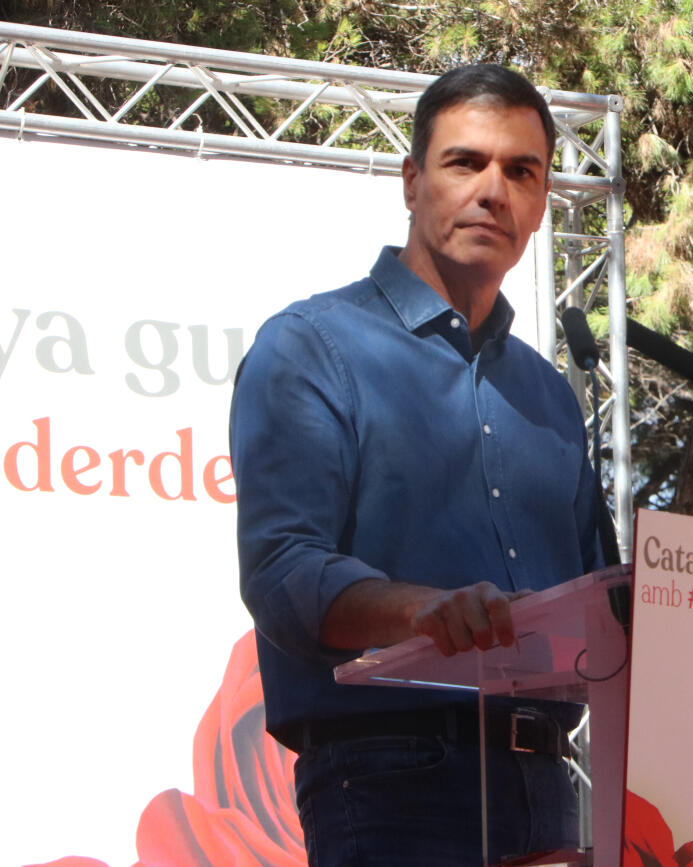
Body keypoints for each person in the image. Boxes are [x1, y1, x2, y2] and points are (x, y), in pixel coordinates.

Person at [230, 64, 606, 865]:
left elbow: (601, 605)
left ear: (540, 204)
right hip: (390, 780)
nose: (494, 190)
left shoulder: (551, 395)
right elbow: (282, 570)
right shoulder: (312, 347)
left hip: (552, 787)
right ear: (411, 181)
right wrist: (424, 612)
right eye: (465, 162)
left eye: (522, 171)